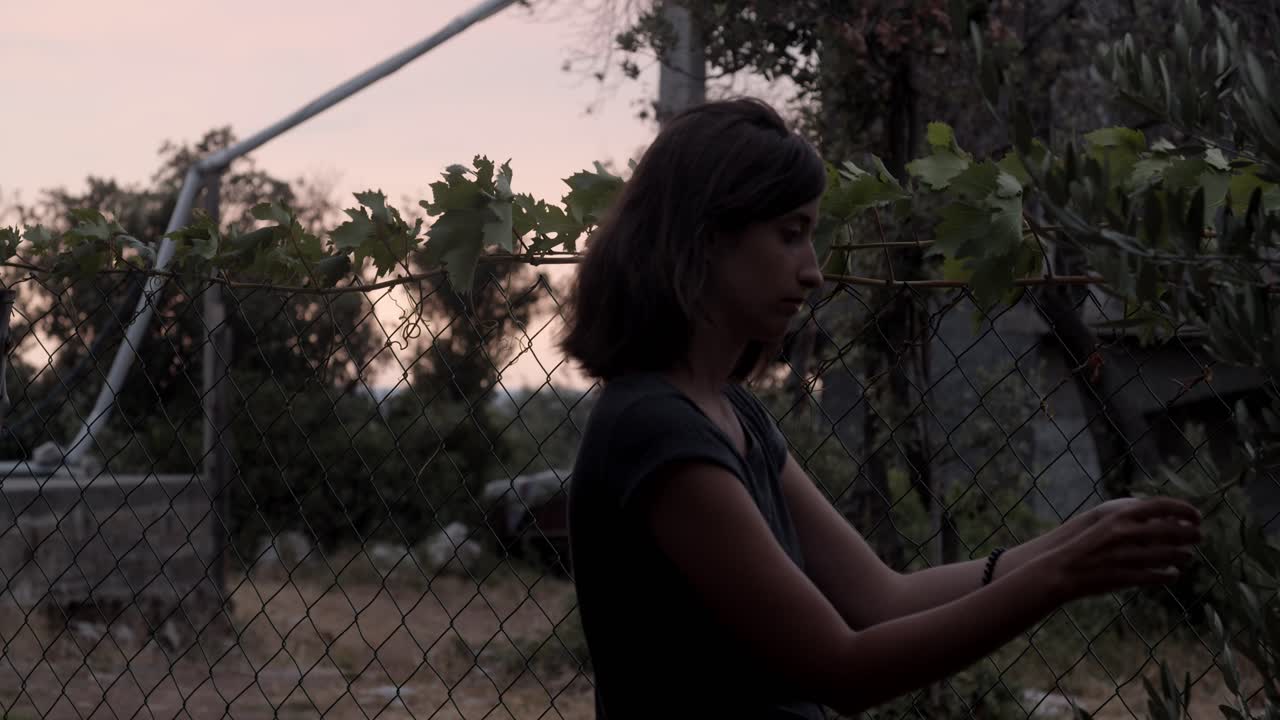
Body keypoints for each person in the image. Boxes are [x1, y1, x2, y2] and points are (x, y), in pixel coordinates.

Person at [557, 97, 1203, 719]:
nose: (812, 271)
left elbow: (881, 599)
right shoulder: (656, 433)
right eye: (790, 235)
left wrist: (1077, 537)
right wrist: (1059, 575)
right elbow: (845, 670)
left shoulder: (730, 414)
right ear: (704, 240)